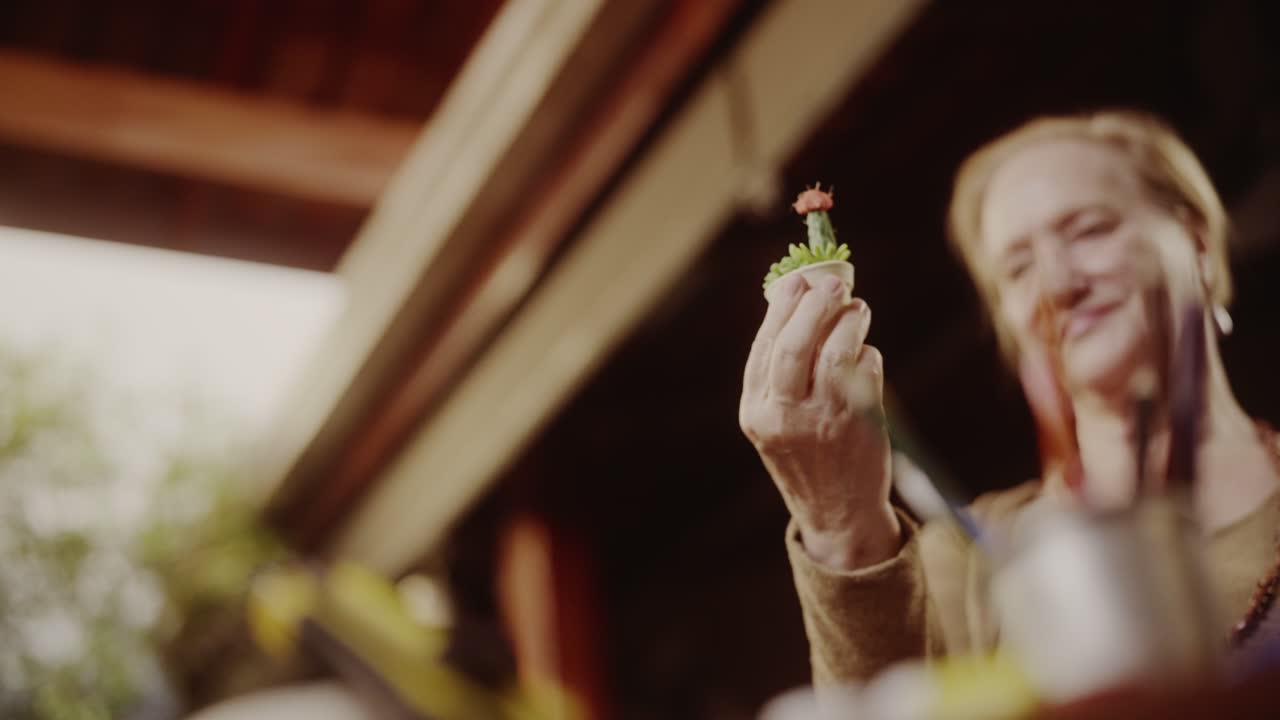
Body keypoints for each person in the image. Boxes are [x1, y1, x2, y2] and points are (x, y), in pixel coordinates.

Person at [738, 110, 1280, 684]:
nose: (1057, 285)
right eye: (1018, 269)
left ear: (1195, 241)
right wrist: (840, 528)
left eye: (1091, 230)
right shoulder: (969, 568)